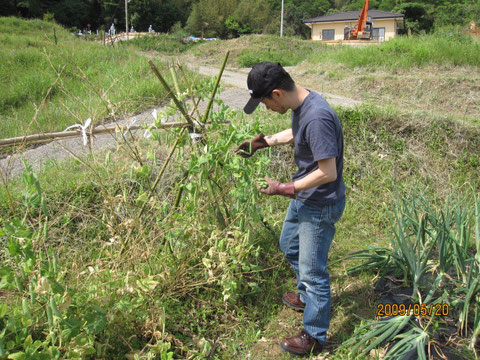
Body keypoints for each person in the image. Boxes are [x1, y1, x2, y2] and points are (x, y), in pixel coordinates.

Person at [235, 62, 346, 356]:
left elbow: (328, 171)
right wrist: (264, 142)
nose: (266, 108)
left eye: (265, 103)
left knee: (313, 270)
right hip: (305, 197)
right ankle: (307, 296)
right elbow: (297, 132)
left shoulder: (318, 116)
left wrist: (284, 188)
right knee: (289, 245)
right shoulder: (302, 103)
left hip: (319, 202)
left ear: (277, 93)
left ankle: (315, 334)